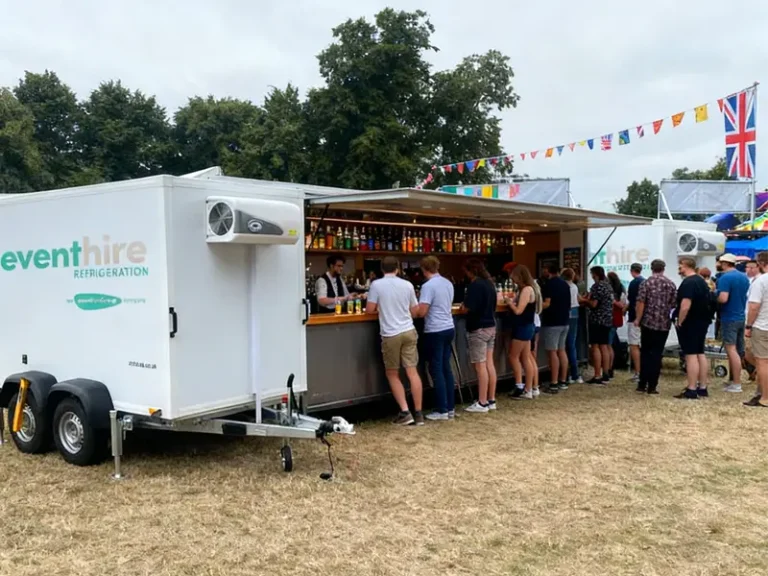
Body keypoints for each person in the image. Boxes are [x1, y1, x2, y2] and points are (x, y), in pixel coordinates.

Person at [365, 256, 424, 426]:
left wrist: (382, 309)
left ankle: (405, 412)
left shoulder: (376, 285)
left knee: (392, 373)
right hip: (408, 330)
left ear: (382, 269)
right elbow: (415, 311)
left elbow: (369, 310)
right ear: (398, 269)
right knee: (412, 372)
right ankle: (419, 413)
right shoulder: (407, 285)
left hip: (390, 333)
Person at [414, 256, 456, 422]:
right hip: (448, 327)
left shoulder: (427, 286)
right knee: (446, 368)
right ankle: (450, 407)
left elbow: (422, 311)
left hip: (435, 329)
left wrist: (411, 308)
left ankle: (441, 409)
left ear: (424, 269)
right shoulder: (447, 283)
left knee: (436, 369)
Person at [634, 259, 677, 395]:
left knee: (646, 352)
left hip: (648, 323)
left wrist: (637, 319)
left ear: (652, 268)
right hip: (663, 324)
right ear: (663, 269)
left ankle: (642, 383)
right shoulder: (670, 284)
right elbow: (673, 304)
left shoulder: (646, 283)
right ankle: (653, 386)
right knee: (657, 354)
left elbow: (641, 303)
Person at [462, 258, 498, 413]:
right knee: (489, 364)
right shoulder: (490, 284)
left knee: (480, 365)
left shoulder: (475, 285)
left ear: (472, 271)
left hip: (478, 328)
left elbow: (468, 308)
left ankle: (481, 402)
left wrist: (464, 307)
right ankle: (491, 399)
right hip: (491, 325)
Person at [674, 257, 712, 400]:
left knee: (690, 355)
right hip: (702, 321)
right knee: (700, 353)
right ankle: (702, 387)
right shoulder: (701, 281)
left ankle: (691, 388)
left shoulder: (688, 283)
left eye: (680, 266)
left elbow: (685, 305)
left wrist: (680, 321)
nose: (679, 269)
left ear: (685, 266)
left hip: (691, 322)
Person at [716, 253, 750, 393]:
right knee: (738, 350)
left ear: (724, 263)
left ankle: (736, 383)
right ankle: (732, 380)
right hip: (741, 316)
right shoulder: (744, 277)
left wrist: (713, 296)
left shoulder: (725, 278)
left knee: (731, 350)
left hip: (729, 316)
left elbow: (723, 298)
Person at [506, 265, 539, 400]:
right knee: (526, 357)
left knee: (513, 356)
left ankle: (519, 385)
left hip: (523, 326)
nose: (513, 279)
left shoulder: (526, 290)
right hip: (528, 325)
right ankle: (529, 388)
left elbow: (519, 311)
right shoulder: (530, 289)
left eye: (514, 276)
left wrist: (509, 303)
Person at [579, 266, 614, 385]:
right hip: (607, 319)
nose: (591, 276)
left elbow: (594, 304)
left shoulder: (597, 286)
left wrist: (583, 301)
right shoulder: (608, 285)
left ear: (595, 274)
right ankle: (606, 373)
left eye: (592, 274)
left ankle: (597, 375)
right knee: (604, 346)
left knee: (595, 347)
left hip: (597, 319)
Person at [540, 263, 572, 392]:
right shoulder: (565, 284)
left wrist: (536, 306)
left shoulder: (549, 284)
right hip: (564, 320)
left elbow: (547, 303)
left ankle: (553, 382)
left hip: (552, 321)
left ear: (547, 270)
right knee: (562, 350)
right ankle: (563, 380)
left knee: (552, 352)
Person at [744, 251, 768, 407]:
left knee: (762, 362)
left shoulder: (760, 282)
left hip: (761, 326)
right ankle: (759, 394)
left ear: (760, 264)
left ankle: (765, 397)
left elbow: (754, 306)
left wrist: (748, 326)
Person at [562, 268, 583, 384]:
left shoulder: (564, 286)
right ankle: (575, 373)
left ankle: (566, 374)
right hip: (575, 312)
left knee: (563, 345)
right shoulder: (574, 286)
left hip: (566, 312)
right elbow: (578, 299)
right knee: (572, 344)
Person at [626, 263, 645, 383]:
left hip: (635, 318)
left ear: (631, 270)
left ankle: (638, 372)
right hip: (645, 319)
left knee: (634, 345)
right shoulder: (645, 281)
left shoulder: (634, 283)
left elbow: (634, 301)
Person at [607, 271, 628, 379]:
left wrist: (613, 302)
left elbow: (618, 304)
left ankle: (608, 368)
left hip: (609, 318)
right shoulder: (622, 288)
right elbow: (624, 304)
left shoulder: (609, 290)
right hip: (617, 318)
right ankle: (611, 368)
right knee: (611, 344)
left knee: (608, 345)